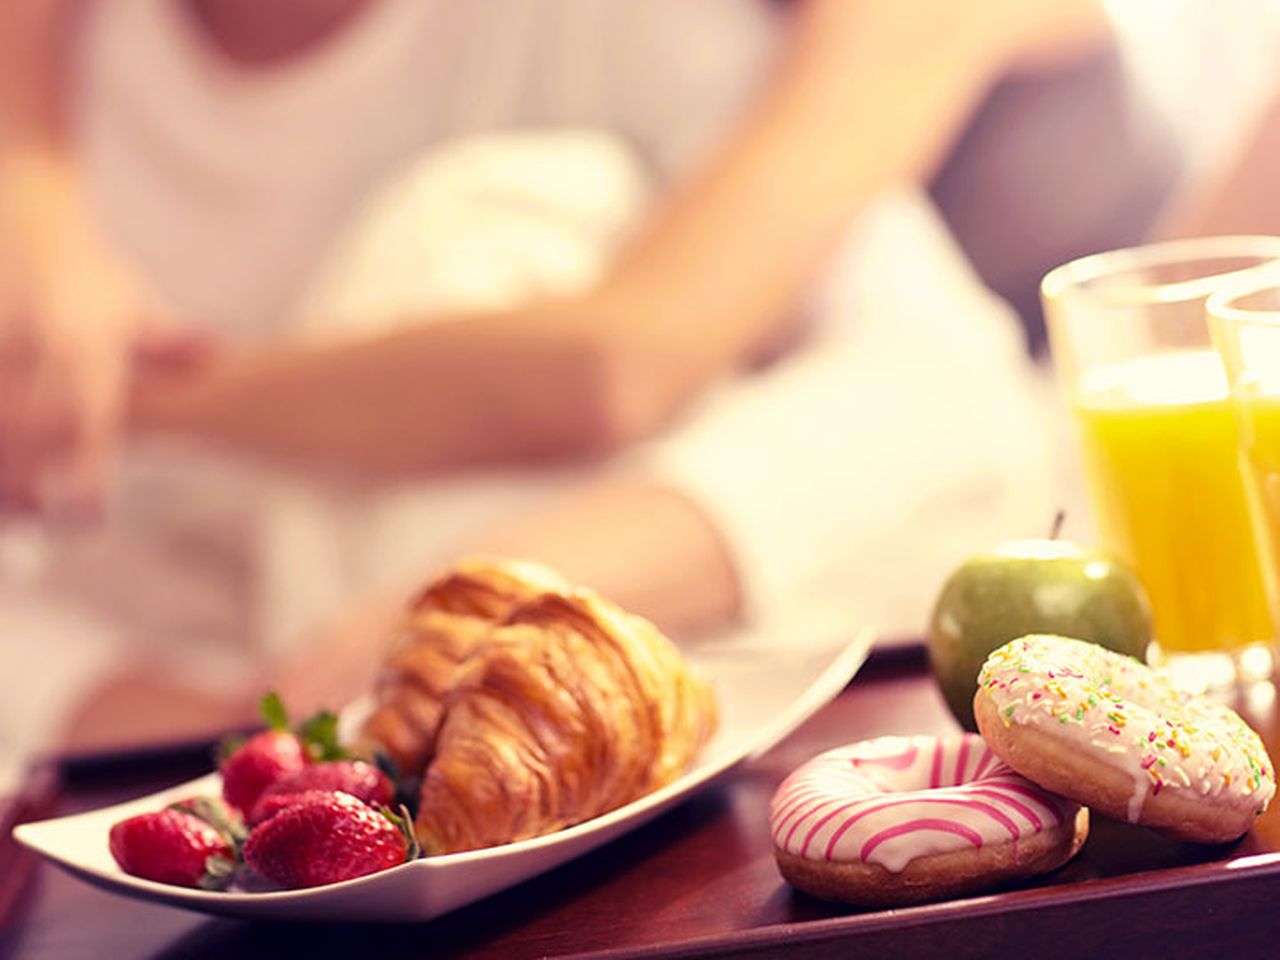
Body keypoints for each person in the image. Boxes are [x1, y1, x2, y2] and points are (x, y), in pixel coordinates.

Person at [0, 0, 1149, 751]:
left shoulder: (617, 28)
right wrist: (255, 717)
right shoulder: (50, 105)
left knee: (466, 223)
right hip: (276, 755)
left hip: (682, 683)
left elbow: (925, 387)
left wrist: (481, 605)